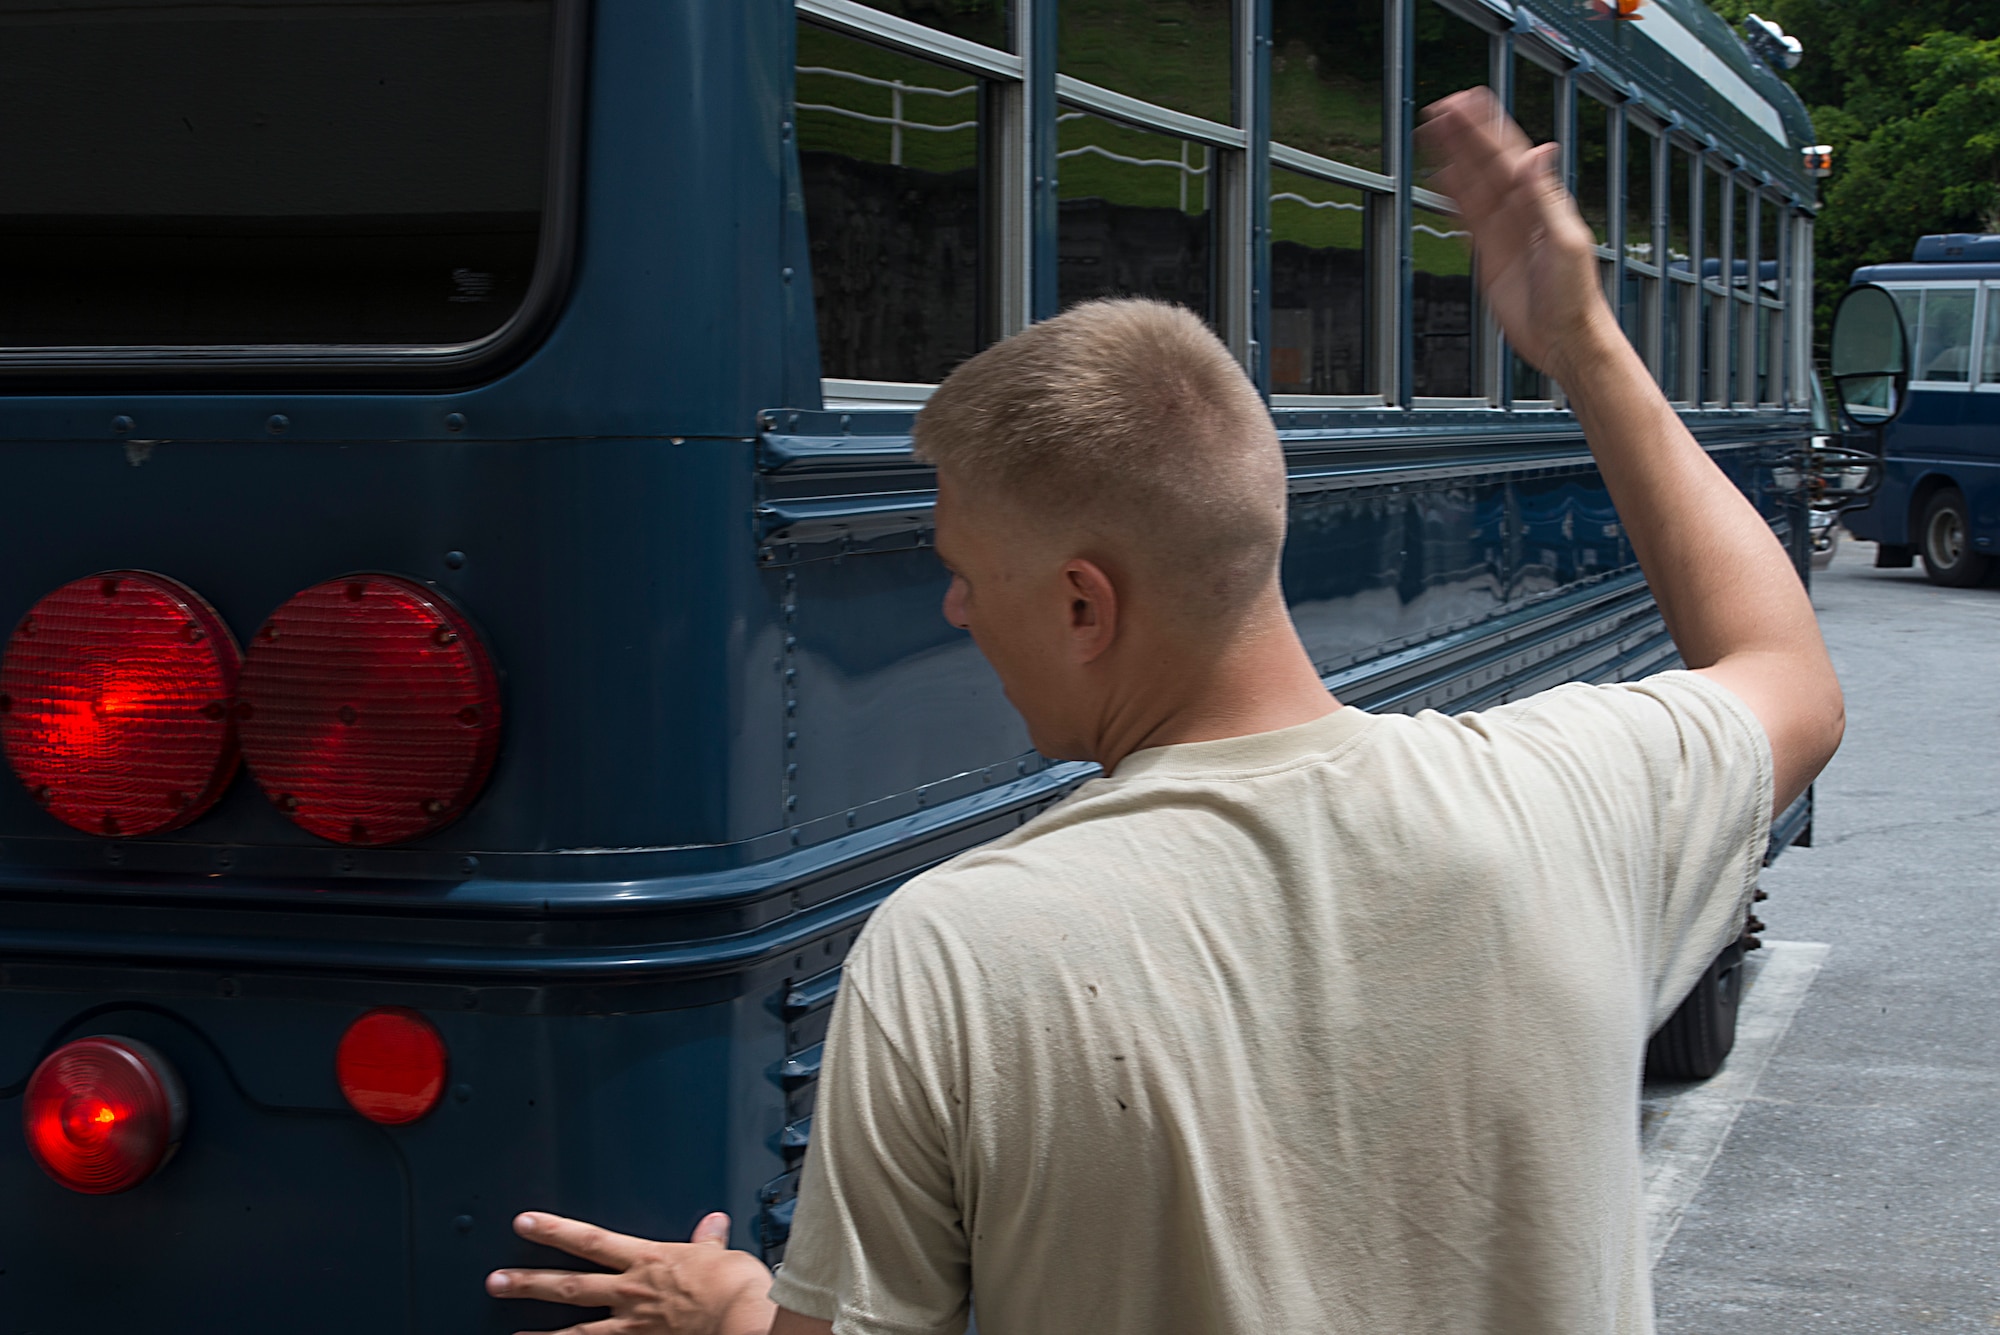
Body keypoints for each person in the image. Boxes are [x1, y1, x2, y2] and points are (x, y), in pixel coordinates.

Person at [483, 88, 1843, 1335]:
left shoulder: (955, 956)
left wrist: (729, 1313)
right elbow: (1786, 669)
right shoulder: (1569, 799)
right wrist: (1584, 342)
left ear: (1085, 607)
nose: (956, 615)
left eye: (964, 577)